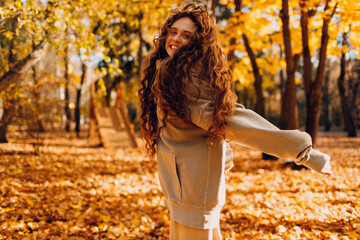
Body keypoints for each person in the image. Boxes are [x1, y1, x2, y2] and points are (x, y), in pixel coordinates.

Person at [138, 3, 332, 240]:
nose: (176, 39)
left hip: (191, 191)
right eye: (174, 31)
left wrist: (304, 152)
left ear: (197, 42)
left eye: (186, 35)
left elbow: (229, 119)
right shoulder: (182, 71)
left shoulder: (182, 78)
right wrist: (226, 153)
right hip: (188, 187)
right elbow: (204, 123)